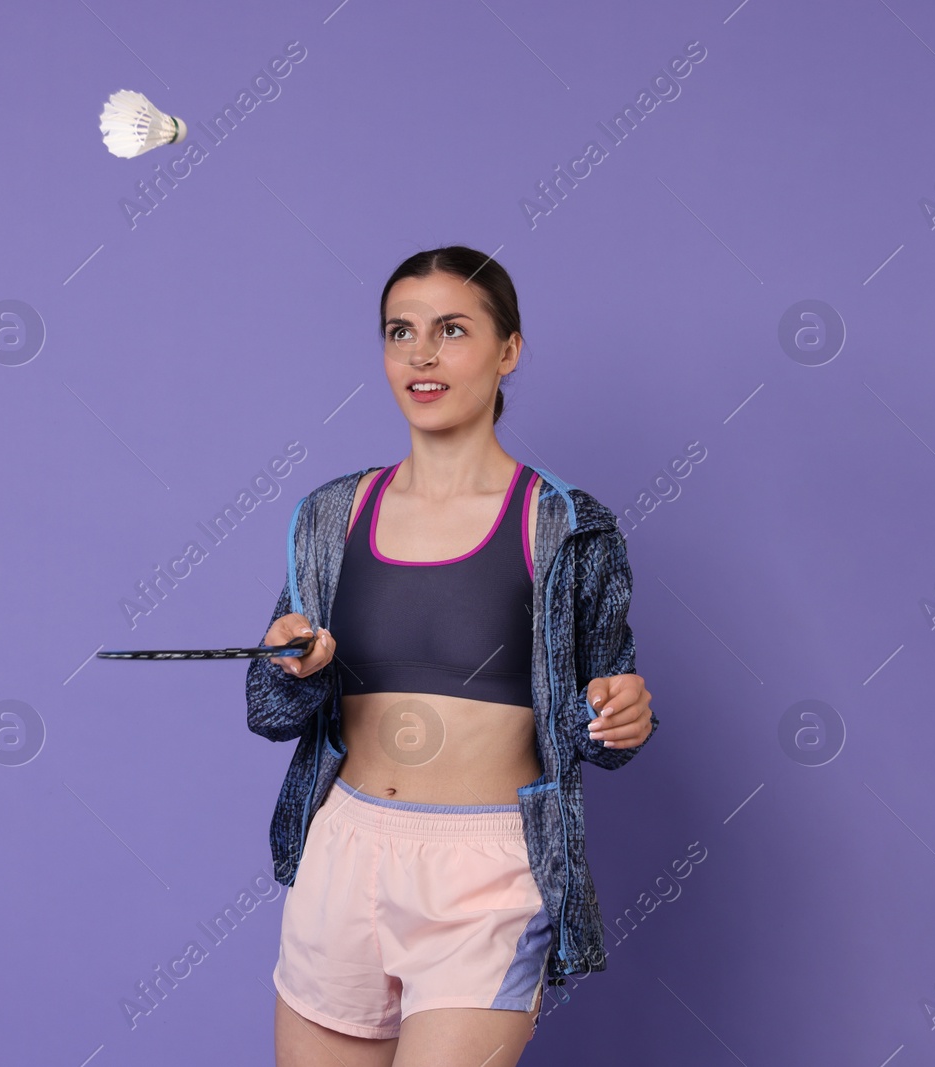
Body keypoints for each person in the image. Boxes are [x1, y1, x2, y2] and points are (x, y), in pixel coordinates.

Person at [245, 246, 659, 1067]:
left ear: (508, 349)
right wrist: (287, 668)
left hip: (489, 871)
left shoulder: (568, 526)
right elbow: (268, 710)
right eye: (401, 331)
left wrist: (624, 718)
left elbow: (601, 725)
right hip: (343, 852)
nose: (422, 355)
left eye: (452, 330)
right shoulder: (330, 515)